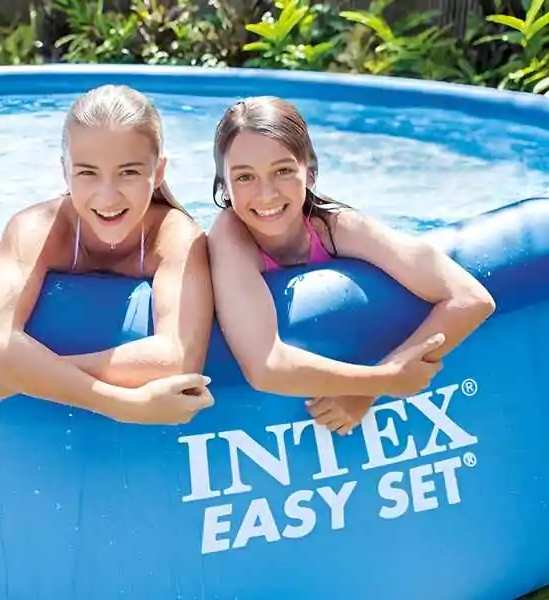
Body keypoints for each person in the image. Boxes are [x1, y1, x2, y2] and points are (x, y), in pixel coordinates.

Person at [207, 96, 496, 435]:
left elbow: (471, 297)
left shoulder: (337, 228)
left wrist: (371, 387)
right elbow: (265, 367)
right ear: (224, 187)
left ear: (310, 173)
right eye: (245, 177)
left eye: (282, 171)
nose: (266, 194)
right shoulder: (229, 235)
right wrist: (382, 380)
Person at [0, 84, 214, 426]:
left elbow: (176, 360)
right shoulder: (36, 228)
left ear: (158, 172)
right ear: (64, 171)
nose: (108, 196)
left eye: (129, 172)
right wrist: (127, 405)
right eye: (87, 173)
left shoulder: (176, 236)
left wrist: (23, 372)